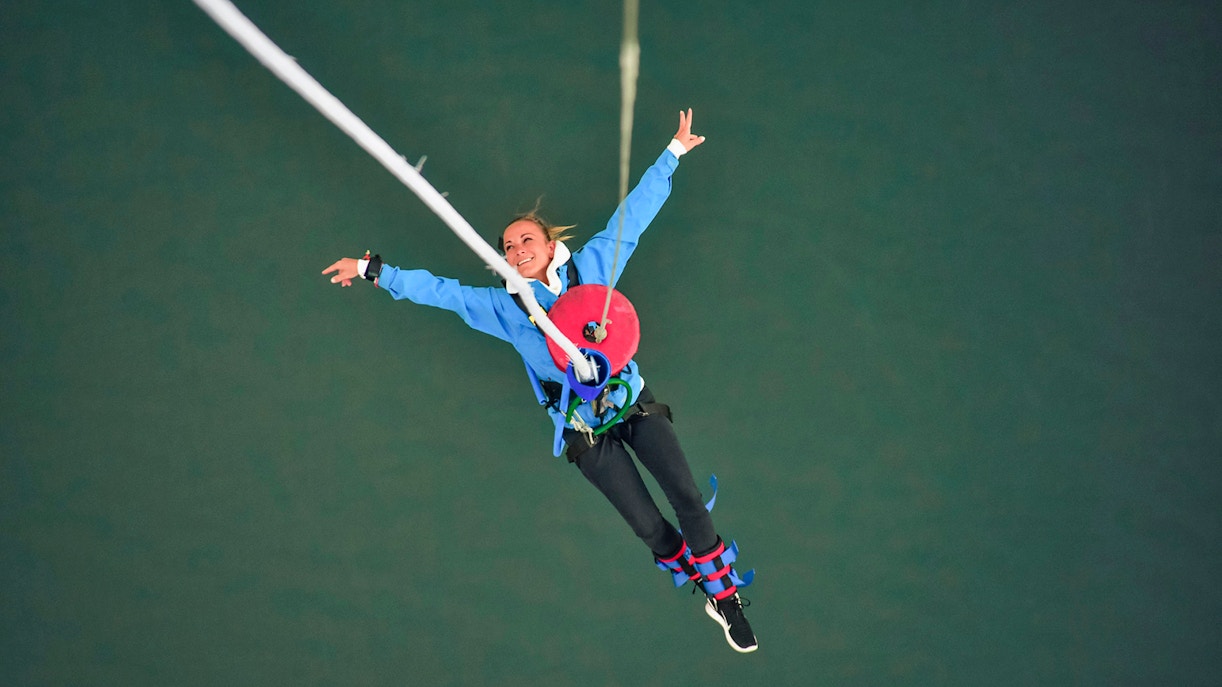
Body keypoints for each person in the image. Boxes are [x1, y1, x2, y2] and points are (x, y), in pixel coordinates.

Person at [323, 109, 757, 653]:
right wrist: (376, 272)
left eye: (526, 240)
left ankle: (726, 594)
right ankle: (703, 586)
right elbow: (444, 292)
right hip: (582, 429)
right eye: (507, 247)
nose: (517, 250)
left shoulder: (594, 268)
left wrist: (671, 155)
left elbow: (634, 215)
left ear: (551, 246)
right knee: (650, 528)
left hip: (631, 401)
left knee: (688, 499)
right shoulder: (505, 308)